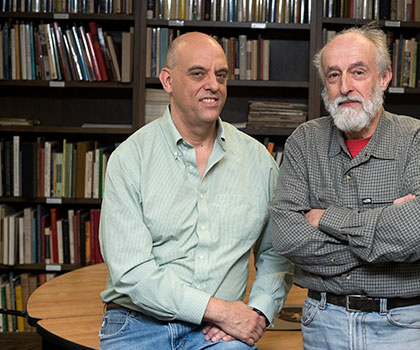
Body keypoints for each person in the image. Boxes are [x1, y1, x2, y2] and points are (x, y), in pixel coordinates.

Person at [99, 32, 292, 350]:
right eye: (198, 73)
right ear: (168, 80)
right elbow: (131, 271)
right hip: (138, 326)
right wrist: (222, 311)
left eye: (220, 75)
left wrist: (257, 311)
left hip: (219, 335)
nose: (213, 85)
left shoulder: (259, 161)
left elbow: (276, 253)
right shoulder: (130, 159)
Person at [270, 24, 420, 350]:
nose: (345, 87)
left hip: (402, 324)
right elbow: (286, 235)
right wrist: (383, 233)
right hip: (323, 320)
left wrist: (325, 219)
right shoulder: (304, 142)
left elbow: (414, 236)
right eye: (334, 75)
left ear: (383, 78)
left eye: (358, 72)